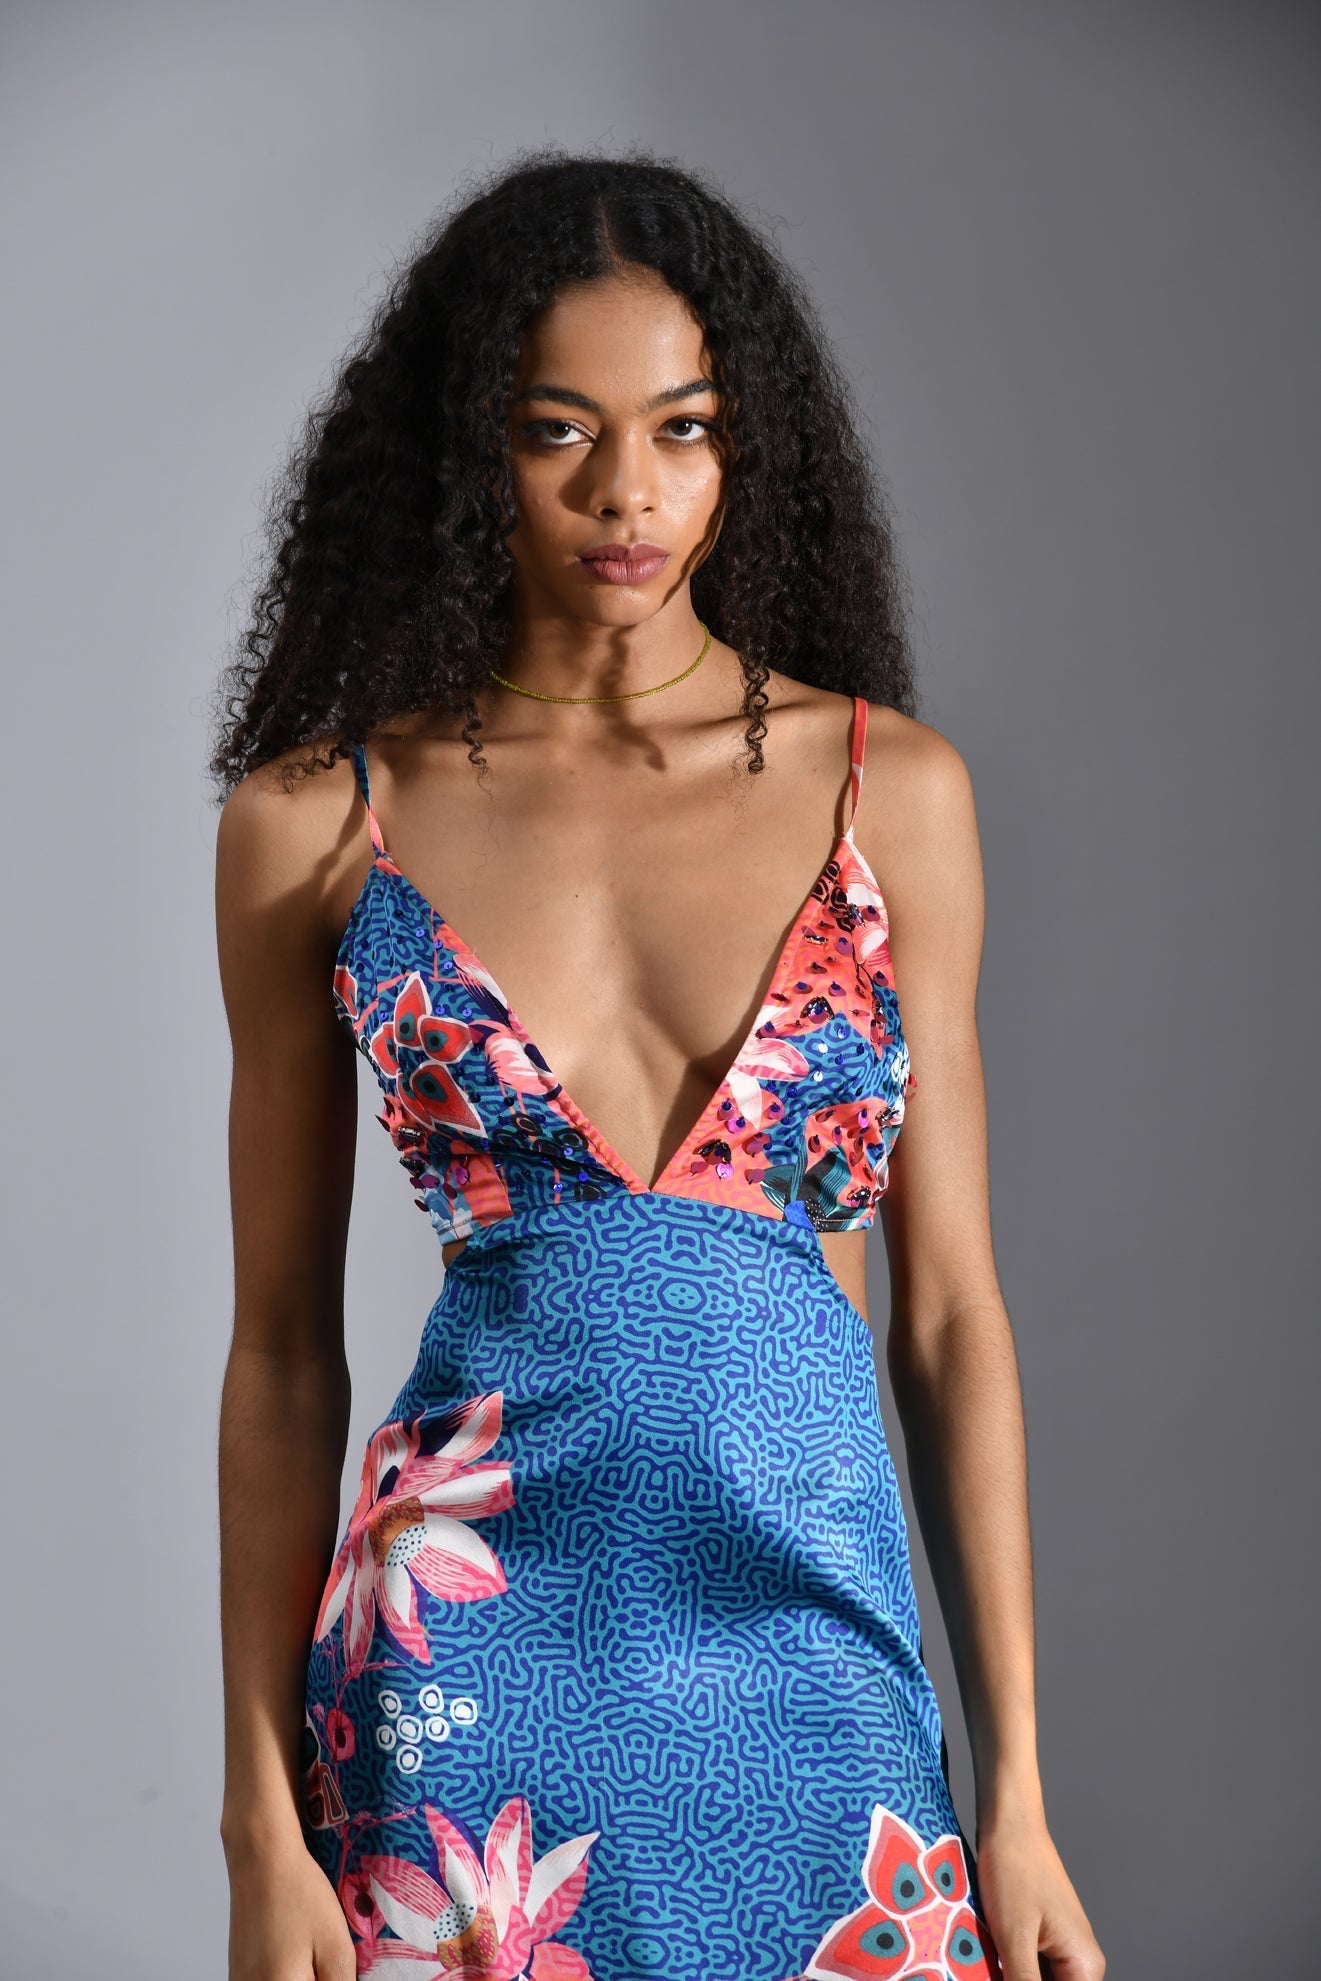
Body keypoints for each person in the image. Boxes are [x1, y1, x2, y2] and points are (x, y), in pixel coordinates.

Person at [211, 148, 1104, 1981]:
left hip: (810, 1637)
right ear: (464, 452)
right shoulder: (318, 822)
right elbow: (284, 1352)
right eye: (557, 432)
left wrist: (1016, 1792)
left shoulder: (889, 792)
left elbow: (950, 1321)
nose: (627, 492)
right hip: (462, 1665)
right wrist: (256, 1823)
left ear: (743, 447)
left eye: (682, 430)